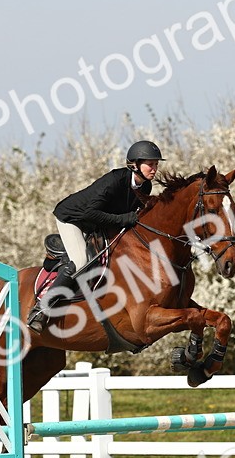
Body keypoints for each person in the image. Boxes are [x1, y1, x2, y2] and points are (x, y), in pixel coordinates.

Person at [27, 140, 164, 332]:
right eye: (150, 164)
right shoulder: (115, 181)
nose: (154, 168)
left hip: (97, 224)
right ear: (134, 164)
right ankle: (42, 308)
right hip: (73, 218)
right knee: (81, 260)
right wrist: (124, 219)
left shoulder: (145, 188)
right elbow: (90, 213)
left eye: (156, 164)